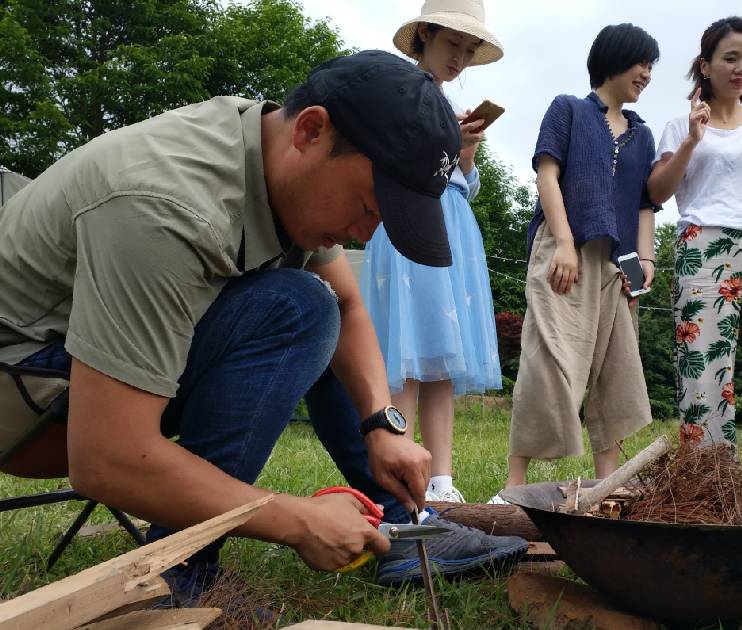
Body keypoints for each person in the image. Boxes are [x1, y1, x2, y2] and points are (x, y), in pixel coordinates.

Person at [0, 50, 526, 600]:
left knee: (316, 303)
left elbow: (348, 305)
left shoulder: (272, 157)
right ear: (311, 130)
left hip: (83, 374)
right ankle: (174, 575)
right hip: (28, 402)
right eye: (371, 207)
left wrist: (382, 425)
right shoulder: (166, 205)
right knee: (296, 307)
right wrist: (297, 520)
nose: (368, 237)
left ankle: (407, 528)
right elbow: (106, 458)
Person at [494, 24, 658, 496]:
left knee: (618, 366)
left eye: (651, 67)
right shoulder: (567, 108)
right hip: (566, 249)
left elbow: (645, 205)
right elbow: (547, 175)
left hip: (620, 260)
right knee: (547, 356)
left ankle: (607, 483)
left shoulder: (643, 136)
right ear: (613, 58)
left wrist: (645, 261)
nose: (646, 74)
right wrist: (564, 242)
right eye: (640, 62)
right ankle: (514, 485)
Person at [647, 16, 742, 486]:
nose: (741, 68)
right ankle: (710, 490)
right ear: (706, 64)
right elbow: (657, 193)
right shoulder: (682, 124)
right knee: (703, 369)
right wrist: (693, 142)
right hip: (704, 241)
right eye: (730, 58)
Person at [360, 0, 503, 504]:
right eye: (452, 45)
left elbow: (462, 183)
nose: (459, 58)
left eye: (468, 49)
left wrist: (465, 152)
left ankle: (441, 478)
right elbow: (389, 163)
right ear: (425, 35)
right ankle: (402, 471)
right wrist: (445, 142)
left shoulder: (447, 106)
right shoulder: (398, 93)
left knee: (443, 353)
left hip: (451, 227)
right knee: (406, 352)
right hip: (406, 224)